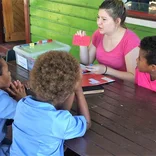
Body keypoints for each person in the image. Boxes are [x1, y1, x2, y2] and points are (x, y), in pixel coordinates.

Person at [10, 51, 91, 156]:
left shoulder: (22, 104)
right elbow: (86, 123)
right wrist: (78, 89)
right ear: (66, 94)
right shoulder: (59, 122)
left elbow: (59, 113)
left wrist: (71, 87)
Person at [76, 0, 140, 82]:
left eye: (104, 19)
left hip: (124, 89)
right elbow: (86, 63)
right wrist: (83, 46)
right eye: (98, 17)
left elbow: (133, 77)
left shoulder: (130, 40)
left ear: (117, 21)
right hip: (101, 83)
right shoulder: (98, 34)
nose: (99, 22)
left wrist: (106, 70)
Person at [0, 58, 26, 156]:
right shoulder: (2, 99)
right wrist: (23, 99)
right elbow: (27, 115)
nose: (10, 74)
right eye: (7, 71)